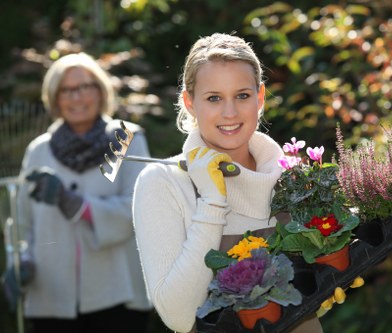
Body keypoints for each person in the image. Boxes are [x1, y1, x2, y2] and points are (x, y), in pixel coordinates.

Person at [132, 33, 324, 333]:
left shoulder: (293, 178)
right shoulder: (163, 183)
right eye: (214, 98)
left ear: (260, 97)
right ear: (189, 101)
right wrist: (211, 201)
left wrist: (329, 283)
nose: (230, 112)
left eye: (242, 95)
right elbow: (179, 317)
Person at [6, 52, 153, 333]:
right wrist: (19, 262)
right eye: (67, 90)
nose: (77, 97)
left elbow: (139, 210)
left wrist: (74, 204)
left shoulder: (125, 139)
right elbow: (22, 224)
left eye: (86, 87)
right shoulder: (39, 150)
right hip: (51, 298)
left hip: (117, 296)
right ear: (55, 97)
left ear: (100, 91)